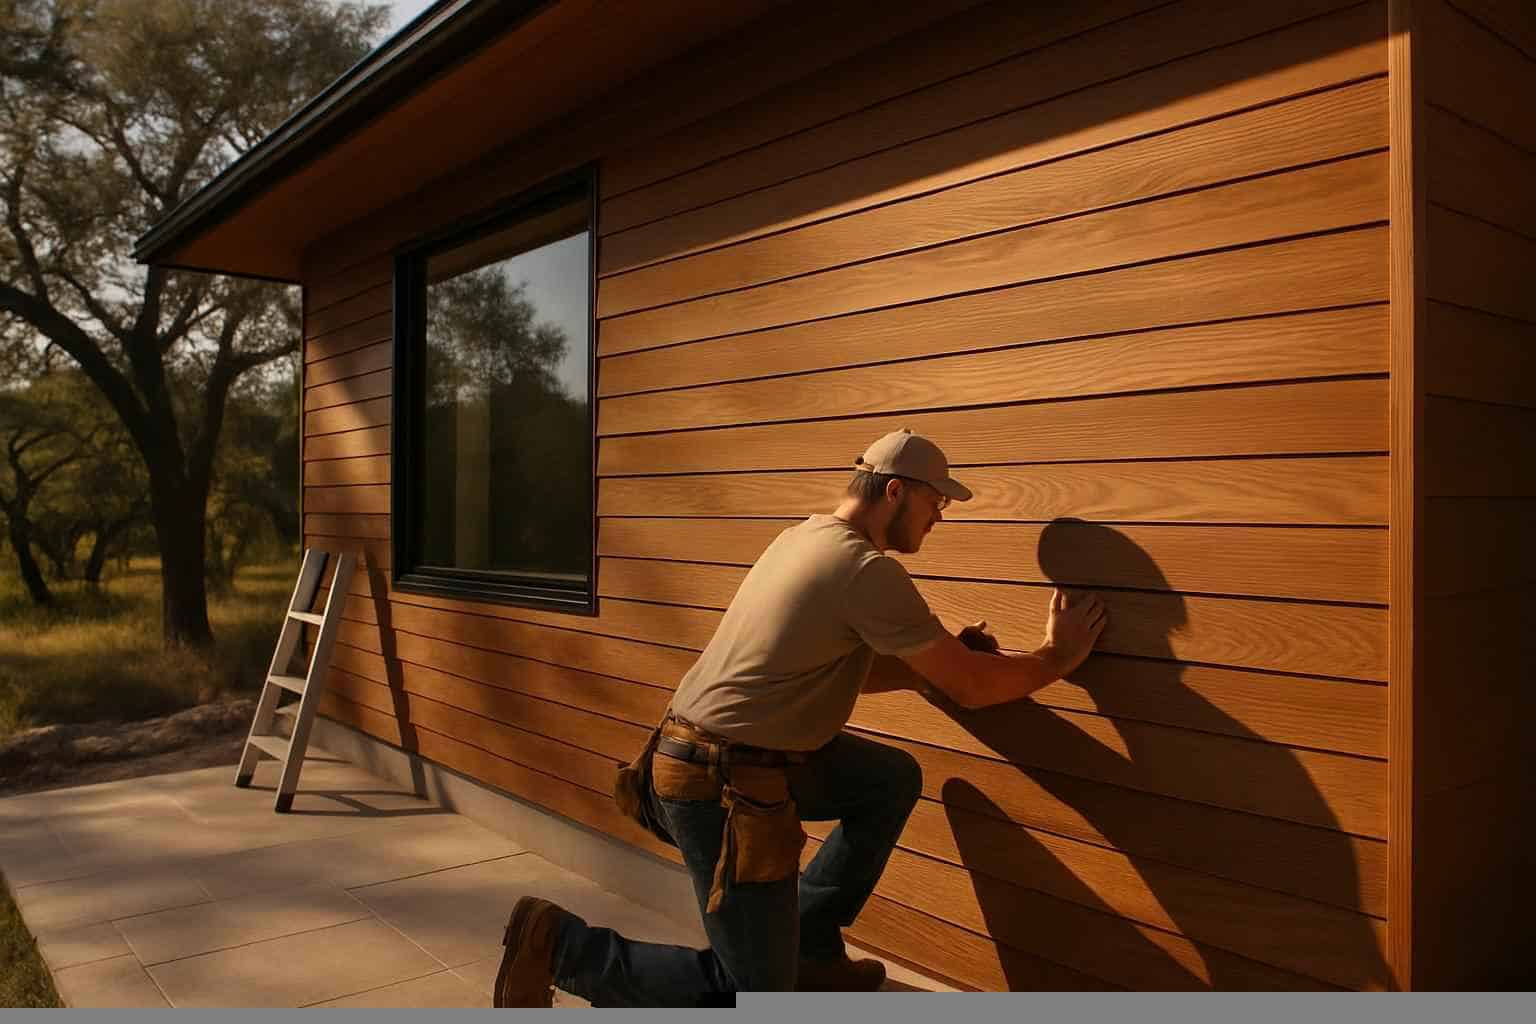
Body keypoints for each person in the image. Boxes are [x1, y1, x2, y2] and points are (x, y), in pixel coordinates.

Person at [492, 428, 1108, 1006]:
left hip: (728, 754)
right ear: (895, 491)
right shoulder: (863, 569)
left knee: (887, 779)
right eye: (934, 500)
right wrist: (1058, 656)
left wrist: (933, 664)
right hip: (718, 781)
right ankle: (561, 946)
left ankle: (810, 948)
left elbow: (846, 669)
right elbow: (973, 689)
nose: (939, 515)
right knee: (755, 991)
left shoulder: (803, 539)